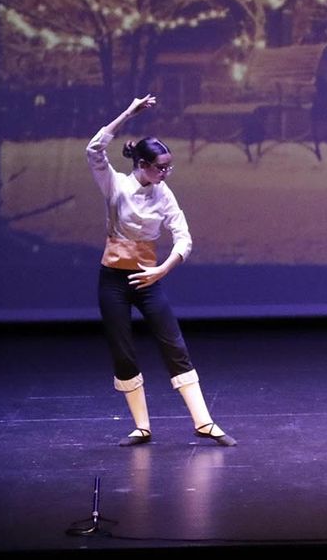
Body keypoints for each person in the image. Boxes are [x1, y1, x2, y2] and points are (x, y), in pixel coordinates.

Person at [87, 95, 235, 447]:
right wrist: (127, 113)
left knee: (173, 344)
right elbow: (94, 150)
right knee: (122, 349)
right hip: (113, 280)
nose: (165, 173)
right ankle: (142, 426)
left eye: (169, 167)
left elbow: (184, 237)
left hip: (148, 279)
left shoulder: (163, 194)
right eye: (160, 167)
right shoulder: (116, 185)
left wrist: (162, 271)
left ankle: (204, 422)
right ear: (141, 164)